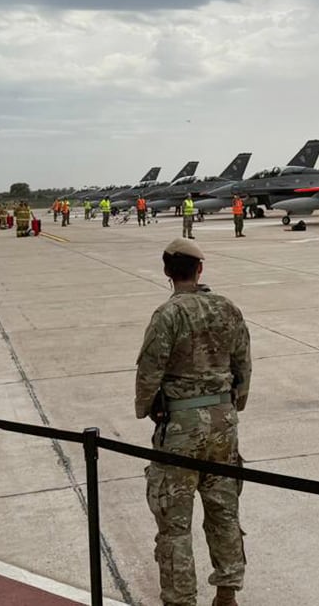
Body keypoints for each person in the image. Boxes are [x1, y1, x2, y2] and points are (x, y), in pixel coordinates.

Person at [135, 238, 251, 606]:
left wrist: (146, 408)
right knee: (223, 511)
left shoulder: (167, 315)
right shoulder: (228, 309)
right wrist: (234, 405)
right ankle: (227, 591)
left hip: (181, 427)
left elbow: (149, 371)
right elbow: (242, 365)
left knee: (175, 523)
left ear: (168, 272)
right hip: (222, 424)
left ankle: (181, 598)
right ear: (200, 269)